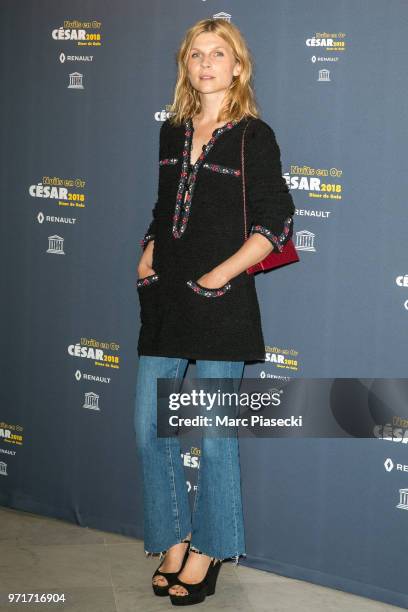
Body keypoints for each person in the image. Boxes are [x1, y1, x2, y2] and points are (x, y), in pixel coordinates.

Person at [133, 17, 295, 606]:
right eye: (196, 54)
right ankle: (172, 539)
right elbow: (164, 205)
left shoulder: (254, 135)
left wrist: (220, 274)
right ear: (186, 65)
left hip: (222, 301)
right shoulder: (171, 131)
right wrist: (149, 248)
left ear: (237, 65)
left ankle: (210, 548)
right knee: (151, 428)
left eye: (217, 53)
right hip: (166, 298)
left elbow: (276, 221)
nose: (206, 63)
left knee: (216, 435)